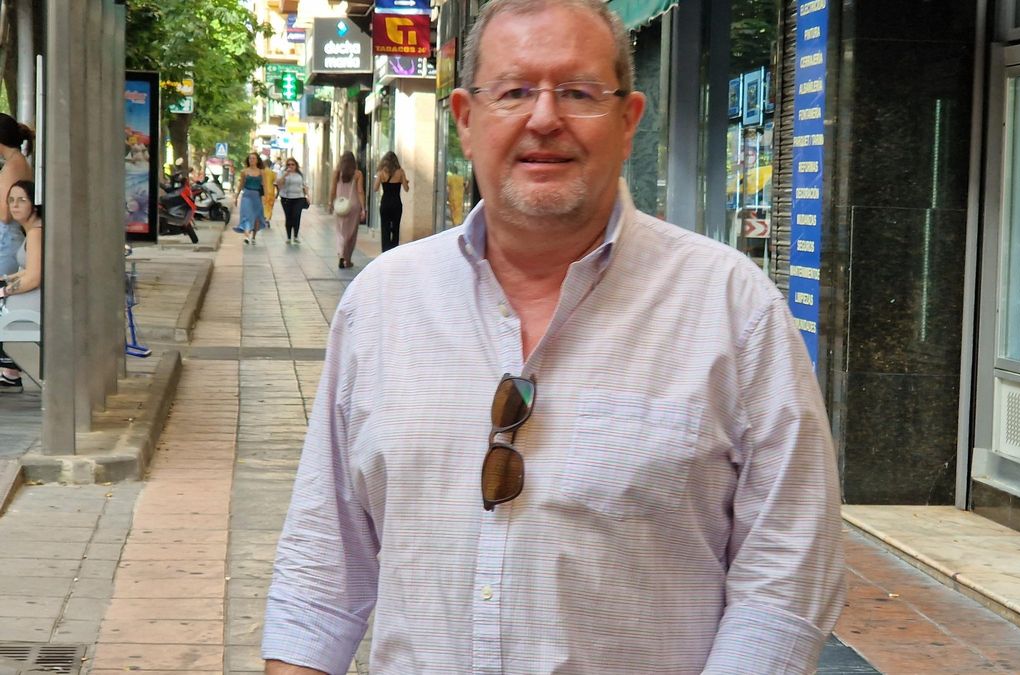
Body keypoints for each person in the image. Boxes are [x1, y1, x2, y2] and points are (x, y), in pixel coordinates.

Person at [261, 1, 843, 673]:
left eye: (578, 92)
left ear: (628, 122)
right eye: (513, 91)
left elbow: (790, 568)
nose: (545, 118)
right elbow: (322, 565)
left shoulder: (732, 309)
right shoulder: (382, 304)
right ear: (466, 120)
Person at [0, 181, 42, 393]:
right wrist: (8, 278)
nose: (15, 205)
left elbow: (34, 277)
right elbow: (29, 269)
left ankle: (9, 370)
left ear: (34, 204)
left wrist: (4, 291)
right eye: (11, 200)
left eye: (22, 200)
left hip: (30, 312)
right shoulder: (33, 231)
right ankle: (10, 371)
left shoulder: (36, 233)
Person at [0, 113, 34, 278]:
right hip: (11, 238)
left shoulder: (12, 167)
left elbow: (5, 215)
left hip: (5, 240)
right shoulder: (20, 162)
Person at [328, 151, 364, 269]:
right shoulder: (358, 174)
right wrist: (364, 208)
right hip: (353, 206)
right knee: (351, 235)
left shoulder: (337, 173)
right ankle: (348, 260)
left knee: (340, 232)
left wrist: (330, 203)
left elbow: (333, 190)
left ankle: (341, 255)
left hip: (340, 206)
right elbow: (360, 191)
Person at [371, 151, 409, 252]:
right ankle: (394, 251)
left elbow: (375, 188)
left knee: (385, 229)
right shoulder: (401, 172)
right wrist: (404, 181)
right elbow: (406, 188)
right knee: (395, 229)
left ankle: (385, 252)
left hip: (385, 203)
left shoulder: (381, 173)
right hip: (396, 203)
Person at [233, 153, 267, 244]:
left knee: (256, 216)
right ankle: (246, 235)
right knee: (247, 215)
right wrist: (236, 197)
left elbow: (264, 186)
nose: (251, 160)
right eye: (250, 158)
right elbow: (241, 185)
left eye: (253, 158)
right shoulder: (244, 172)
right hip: (247, 195)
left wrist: (265, 198)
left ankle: (254, 237)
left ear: (257, 160)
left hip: (256, 196)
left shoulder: (261, 172)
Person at [276, 157, 310, 244]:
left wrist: (307, 196)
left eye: (292, 164)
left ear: (296, 165)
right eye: (288, 165)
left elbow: (304, 185)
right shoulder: (282, 173)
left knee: (296, 216)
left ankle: (295, 236)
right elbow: (279, 184)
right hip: (286, 198)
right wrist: (285, 175)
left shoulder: (300, 174)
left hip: (299, 198)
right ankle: (288, 237)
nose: (291, 166)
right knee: (289, 217)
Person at [262, 155, 278, 227]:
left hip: (263, 192)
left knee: (264, 206)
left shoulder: (261, 172)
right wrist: (277, 193)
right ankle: (267, 219)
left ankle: (264, 218)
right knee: (270, 207)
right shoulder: (273, 173)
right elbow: (276, 184)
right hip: (271, 192)